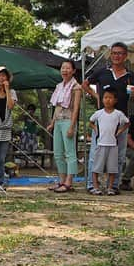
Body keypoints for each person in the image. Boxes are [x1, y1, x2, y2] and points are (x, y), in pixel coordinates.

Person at [82, 42, 134, 194]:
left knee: (119, 155)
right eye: (114, 53)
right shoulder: (102, 72)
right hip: (103, 119)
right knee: (95, 153)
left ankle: (113, 186)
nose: (116, 56)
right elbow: (85, 84)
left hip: (120, 119)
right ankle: (92, 185)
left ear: (125, 55)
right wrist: (96, 96)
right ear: (110, 55)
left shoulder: (130, 76)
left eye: (120, 53)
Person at [47, 59, 82, 193]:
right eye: (63, 68)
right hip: (58, 121)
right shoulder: (58, 86)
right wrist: (52, 123)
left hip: (68, 120)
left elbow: (76, 108)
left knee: (70, 153)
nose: (65, 70)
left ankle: (69, 182)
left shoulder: (76, 87)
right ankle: (61, 180)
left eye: (68, 68)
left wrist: (72, 126)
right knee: (58, 153)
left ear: (73, 71)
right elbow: (57, 107)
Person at [88, 88, 130, 195]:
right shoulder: (99, 113)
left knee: (112, 168)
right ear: (102, 99)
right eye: (105, 98)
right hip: (100, 144)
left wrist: (120, 131)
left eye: (110, 98)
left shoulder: (118, 114)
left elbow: (127, 123)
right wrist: (95, 129)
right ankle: (95, 187)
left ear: (115, 100)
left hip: (113, 145)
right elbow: (91, 121)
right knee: (96, 167)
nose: (108, 100)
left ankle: (110, 187)